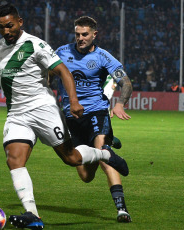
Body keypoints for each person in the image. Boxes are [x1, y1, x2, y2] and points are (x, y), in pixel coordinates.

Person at [0, 4, 129, 229]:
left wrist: (74, 100)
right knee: (14, 159)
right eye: (1, 27)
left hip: (43, 109)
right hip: (17, 114)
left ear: (20, 22)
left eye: (10, 25)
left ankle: (103, 154)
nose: (6, 31)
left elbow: (63, 71)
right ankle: (32, 214)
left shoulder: (35, 45)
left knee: (72, 158)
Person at [54, 16, 133, 223]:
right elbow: (47, 75)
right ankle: (108, 144)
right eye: (77, 34)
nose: (80, 38)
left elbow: (125, 82)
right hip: (71, 117)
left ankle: (121, 209)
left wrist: (119, 104)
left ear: (94, 35)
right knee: (86, 176)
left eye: (85, 34)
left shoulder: (103, 57)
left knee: (104, 158)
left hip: (96, 112)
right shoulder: (61, 52)